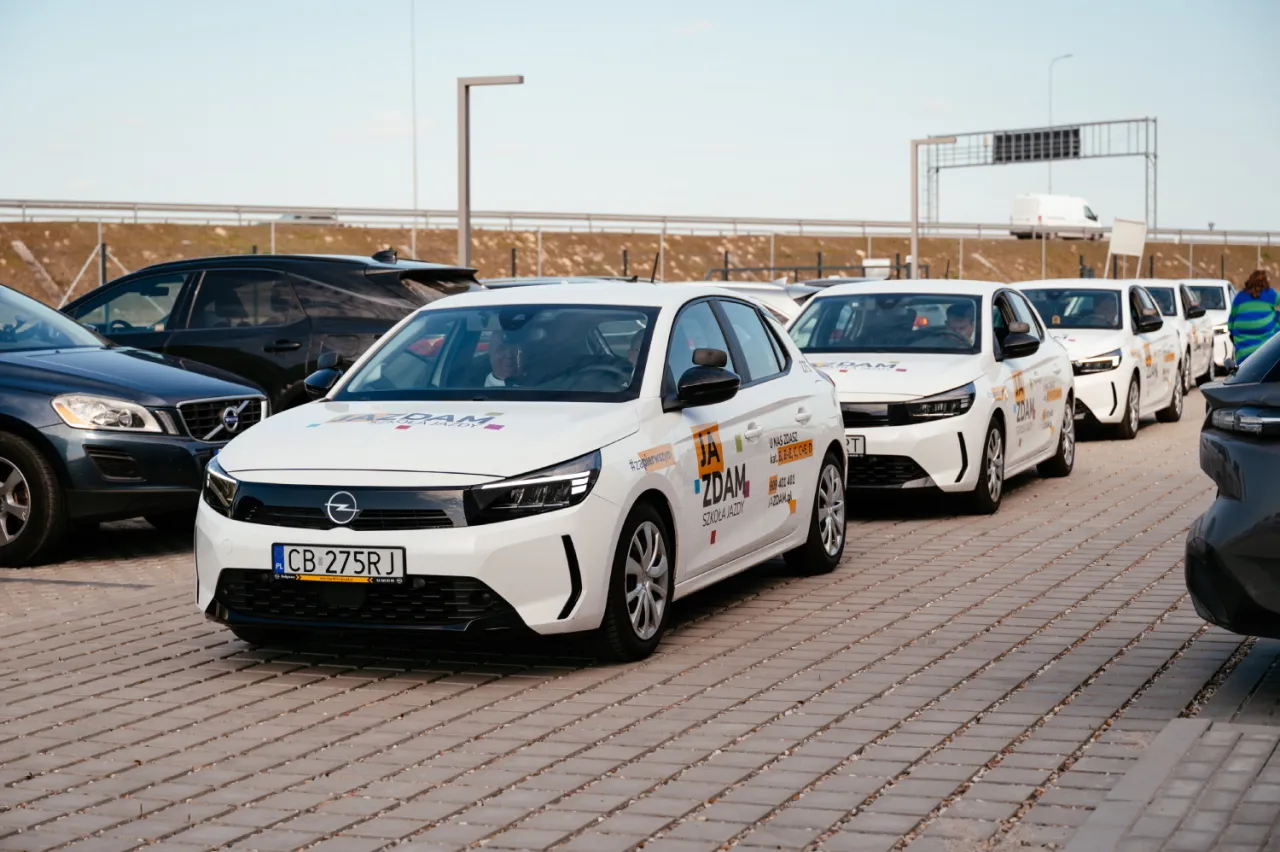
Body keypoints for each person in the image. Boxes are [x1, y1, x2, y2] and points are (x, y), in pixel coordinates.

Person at [1228, 270, 1278, 364]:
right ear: (1265, 282)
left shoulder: (1239, 296)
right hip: (1266, 353)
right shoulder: (1270, 294)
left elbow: (1231, 323)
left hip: (1243, 355)